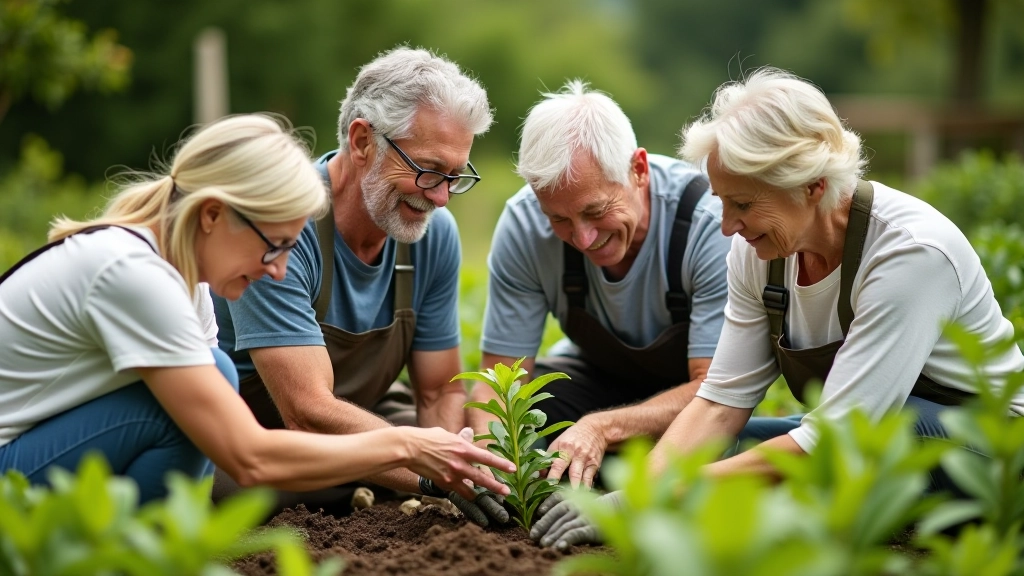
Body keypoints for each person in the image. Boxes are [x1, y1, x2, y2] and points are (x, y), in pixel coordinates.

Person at [530, 67, 1024, 549]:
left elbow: (835, 442)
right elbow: (721, 401)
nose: (726, 226)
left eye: (742, 205)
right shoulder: (760, 252)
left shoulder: (910, 254)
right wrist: (636, 491)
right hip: (852, 431)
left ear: (811, 185)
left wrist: (646, 504)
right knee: (710, 455)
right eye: (722, 202)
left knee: (861, 446)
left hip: (982, 451)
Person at [0, 114, 514, 505]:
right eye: (275, 246)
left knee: (217, 374)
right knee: (178, 418)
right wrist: (406, 449)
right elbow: (247, 456)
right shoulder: (130, 274)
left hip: (40, 457)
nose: (278, 271)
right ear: (212, 215)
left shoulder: (188, 285)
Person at [211, 47, 507, 524]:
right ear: (363, 140)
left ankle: (366, 481)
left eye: (455, 177)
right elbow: (305, 411)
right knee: (246, 492)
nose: (441, 197)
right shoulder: (284, 225)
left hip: (365, 421)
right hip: (262, 431)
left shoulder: (432, 235)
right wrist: (435, 477)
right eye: (429, 170)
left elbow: (437, 393)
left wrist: (458, 473)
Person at [469, 80, 732, 489]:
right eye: (558, 219)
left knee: (707, 462)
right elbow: (500, 382)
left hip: (696, 403)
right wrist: (488, 465)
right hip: (595, 380)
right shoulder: (524, 225)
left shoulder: (709, 224)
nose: (583, 238)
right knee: (537, 415)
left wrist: (602, 429)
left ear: (638, 170)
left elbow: (712, 390)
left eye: (596, 211)